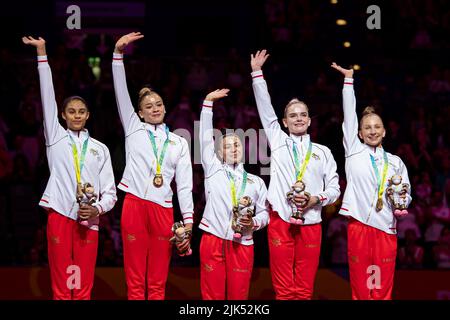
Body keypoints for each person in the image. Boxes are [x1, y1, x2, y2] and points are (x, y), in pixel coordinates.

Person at [22, 36, 117, 300]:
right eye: (71, 111)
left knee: (83, 283)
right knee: (62, 285)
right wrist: (42, 53)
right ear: (62, 116)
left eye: (81, 111)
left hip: (90, 218)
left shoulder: (101, 149)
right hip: (61, 215)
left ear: (88, 115)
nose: (76, 115)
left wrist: (96, 208)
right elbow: (47, 95)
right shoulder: (56, 137)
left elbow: (111, 193)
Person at [250, 50, 340, 300]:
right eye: (293, 115)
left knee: (304, 289)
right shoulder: (278, 141)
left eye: (303, 115)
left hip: (312, 221)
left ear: (310, 121)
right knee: (283, 290)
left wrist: (316, 199)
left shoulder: (323, 152)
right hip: (280, 220)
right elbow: (265, 109)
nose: (298, 118)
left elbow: (335, 189)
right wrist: (257, 74)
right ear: (285, 122)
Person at [112, 32, 194, 300]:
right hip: (134, 204)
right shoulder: (134, 129)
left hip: (163, 209)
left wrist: (189, 221)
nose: (155, 108)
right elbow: (121, 92)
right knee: (135, 280)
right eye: (149, 106)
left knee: (158, 280)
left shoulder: (178, 142)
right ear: (139, 113)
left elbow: (184, 185)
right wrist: (117, 54)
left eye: (158, 104)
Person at [331, 62, 412, 300]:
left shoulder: (396, 162)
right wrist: (348, 82)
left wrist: (402, 203)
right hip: (360, 227)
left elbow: (406, 194)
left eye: (377, 127)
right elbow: (349, 114)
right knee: (361, 286)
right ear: (359, 132)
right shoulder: (354, 150)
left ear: (385, 131)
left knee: (382, 287)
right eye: (367, 127)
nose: (373, 131)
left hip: (387, 226)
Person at [199, 88, 269, 300]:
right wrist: (208, 103)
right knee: (213, 296)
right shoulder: (213, 169)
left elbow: (265, 214)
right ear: (219, 153)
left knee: (239, 297)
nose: (233, 148)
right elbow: (204, 138)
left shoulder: (256, 182)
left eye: (237, 144)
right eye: (227, 146)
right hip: (213, 238)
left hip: (243, 243)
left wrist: (253, 224)